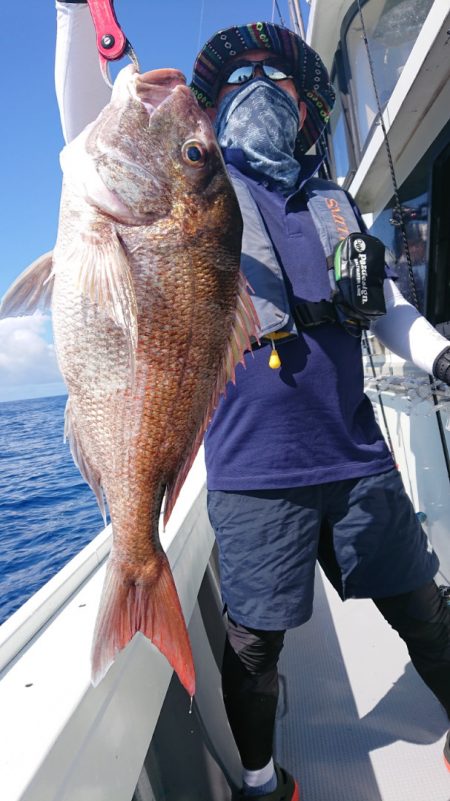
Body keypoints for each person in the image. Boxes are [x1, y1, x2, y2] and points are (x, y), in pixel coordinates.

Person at [55, 5, 450, 798]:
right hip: (250, 471)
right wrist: (74, 13)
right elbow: (85, 128)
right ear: (216, 108)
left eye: (280, 81)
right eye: (242, 79)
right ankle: (264, 780)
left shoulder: (338, 206)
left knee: (424, 610)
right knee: (253, 648)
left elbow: (389, 309)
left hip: (357, 456)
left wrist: (441, 356)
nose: (261, 88)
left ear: (305, 111)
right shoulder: (197, 188)